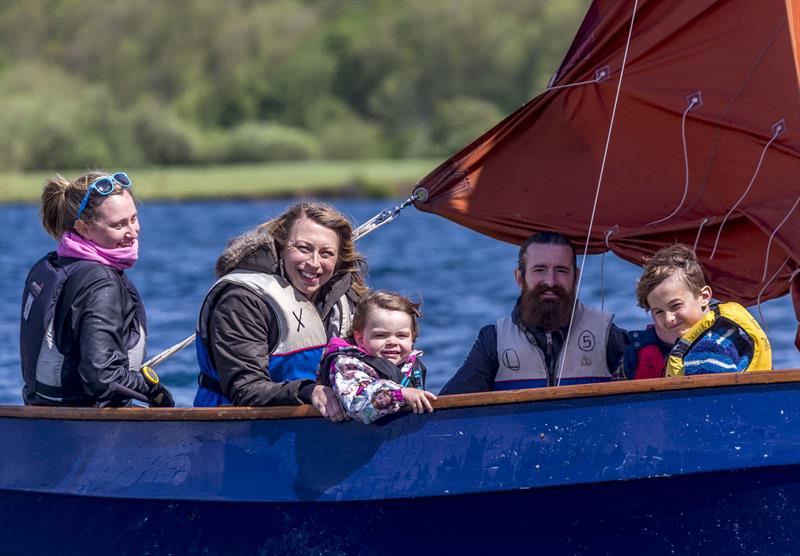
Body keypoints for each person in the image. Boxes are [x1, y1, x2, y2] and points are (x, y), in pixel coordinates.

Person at [193, 202, 368, 422]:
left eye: (326, 253)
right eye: (304, 248)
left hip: (321, 431)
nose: (314, 263)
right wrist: (309, 391)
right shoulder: (241, 299)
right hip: (235, 434)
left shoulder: (345, 295)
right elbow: (245, 389)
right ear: (282, 246)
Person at [20, 171, 174, 407]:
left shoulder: (50, 265)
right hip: (86, 432)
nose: (133, 232)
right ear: (83, 228)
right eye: (118, 225)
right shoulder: (100, 283)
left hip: (42, 417)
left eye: (133, 219)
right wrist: (153, 390)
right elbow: (103, 376)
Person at [439, 232, 628, 394]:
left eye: (561, 271)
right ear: (520, 278)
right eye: (540, 270)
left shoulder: (606, 336)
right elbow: (447, 411)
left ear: (576, 277)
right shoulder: (493, 341)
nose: (551, 281)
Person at [630, 244, 772, 376]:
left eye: (675, 305)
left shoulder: (706, 351)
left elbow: (706, 401)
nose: (668, 318)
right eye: (659, 311)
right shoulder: (725, 334)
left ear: (704, 296)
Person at [317, 291, 436, 424]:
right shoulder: (348, 365)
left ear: (412, 338)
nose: (392, 342)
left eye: (401, 335)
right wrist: (399, 395)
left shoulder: (411, 364)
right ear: (360, 339)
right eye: (381, 335)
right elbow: (357, 403)